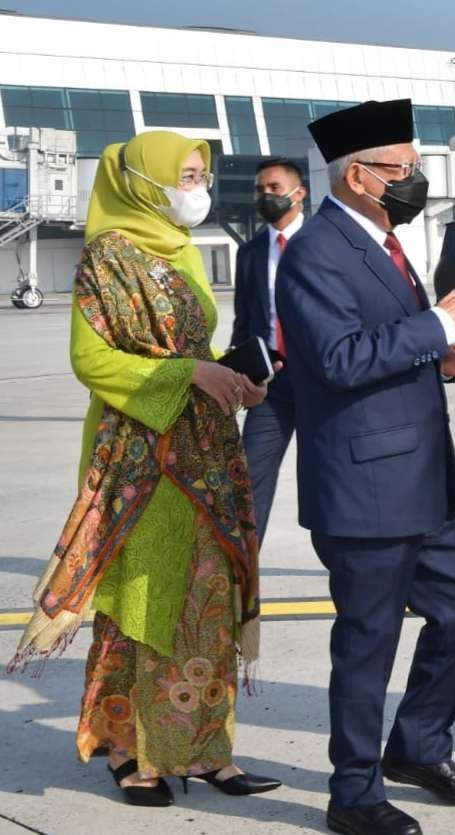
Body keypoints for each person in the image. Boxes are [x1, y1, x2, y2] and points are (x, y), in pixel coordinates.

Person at [7, 131, 281, 806]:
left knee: (208, 597)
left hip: (205, 451)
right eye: (184, 173)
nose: (196, 186)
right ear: (143, 179)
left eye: (199, 174)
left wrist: (233, 375)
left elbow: (193, 342)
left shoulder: (182, 247)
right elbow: (92, 360)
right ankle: (132, 751)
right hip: (141, 453)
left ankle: (207, 748)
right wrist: (190, 372)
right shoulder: (106, 255)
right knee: (142, 601)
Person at [275, 99, 455, 835]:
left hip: (420, 480)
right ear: (358, 175)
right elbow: (336, 360)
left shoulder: (384, 241)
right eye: (402, 169)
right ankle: (353, 791)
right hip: (364, 486)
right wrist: (440, 323)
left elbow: (383, 343)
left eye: (416, 167)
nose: (415, 179)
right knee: (367, 642)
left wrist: (443, 354)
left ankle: (418, 745)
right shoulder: (315, 252)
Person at [230, 157, 308, 543]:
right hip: (271, 383)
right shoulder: (250, 252)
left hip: (322, 379)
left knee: (330, 477)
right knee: (248, 478)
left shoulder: (327, 242)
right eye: (260, 189)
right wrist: (239, 372)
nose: (265, 196)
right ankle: (242, 574)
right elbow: (243, 320)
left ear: (299, 193)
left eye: (274, 188)